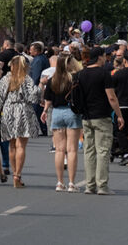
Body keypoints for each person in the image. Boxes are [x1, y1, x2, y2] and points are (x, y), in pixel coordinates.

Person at [77, 47, 125, 195]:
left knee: (89, 151)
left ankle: (90, 185)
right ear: (99, 57)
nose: (106, 58)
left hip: (86, 116)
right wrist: (119, 115)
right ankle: (102, 185)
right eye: (104, 56)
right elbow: (111, 97)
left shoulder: (81, 74)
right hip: (102, 116)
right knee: (103, 150)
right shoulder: (104, 74)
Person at [0, 55, 40, 188]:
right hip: (23, 111)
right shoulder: (27, 79)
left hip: (8, 110)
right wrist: (40, 88)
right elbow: (33, 97)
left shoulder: (5, 79)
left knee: (12, 145)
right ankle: (17, 175)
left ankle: (14, 172)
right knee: (21, 145)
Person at [42, 54, 81, 191]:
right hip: (71, 112)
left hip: (57, 112)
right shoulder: (74, 79)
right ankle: (71, 183)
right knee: (72, 150)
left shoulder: (53, 79)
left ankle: (59, 182)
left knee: (59, 150)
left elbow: (48, 99)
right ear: (69, 64)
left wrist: (45, 111)